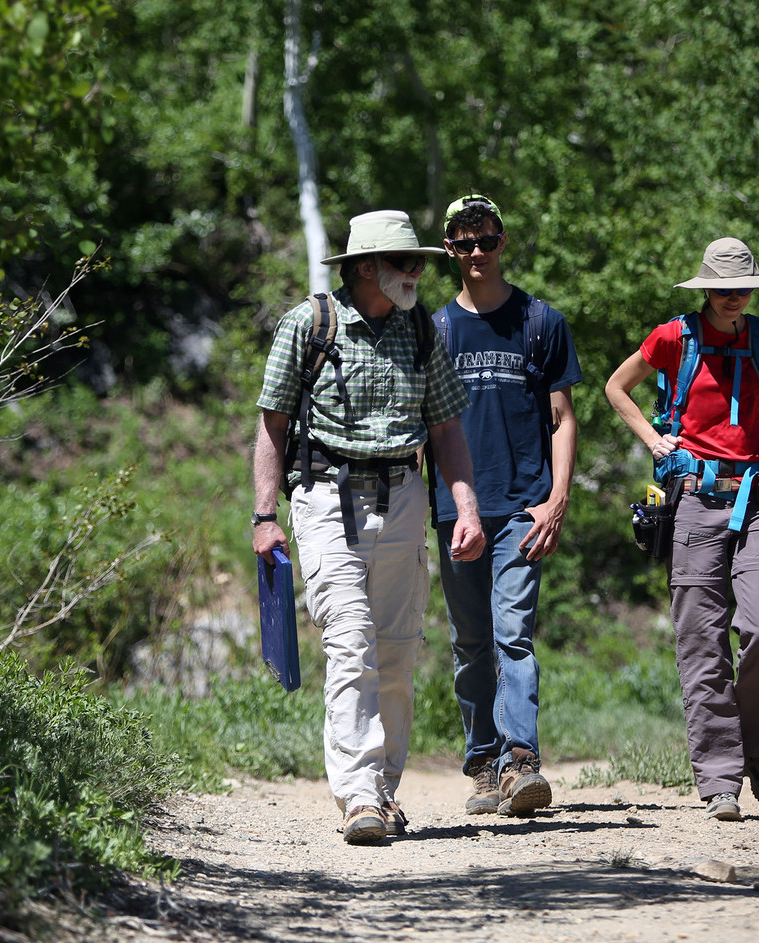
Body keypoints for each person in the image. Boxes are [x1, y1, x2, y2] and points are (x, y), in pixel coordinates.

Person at [252, 210, 486, 845]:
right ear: (363, 267)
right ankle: (358, 795)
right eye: (404, 262)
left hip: (405, 496)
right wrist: (264, 517)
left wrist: (465, 508)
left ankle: (383, 795)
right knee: (351, 641)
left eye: (417, 263)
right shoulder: (310, 323)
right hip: (326, 497)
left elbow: (445, 430)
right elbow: (272, 425)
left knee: (398, 651)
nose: (417, 272)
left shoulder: (422, 329)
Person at [604, 236, 759, 821]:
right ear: (705, 289)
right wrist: (653, 439)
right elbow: (618, 387)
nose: (732, 297)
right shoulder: (674, 336)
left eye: (741, 287)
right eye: (722, 288)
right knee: (702, 642)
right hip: (693, 500)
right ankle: (720, 780)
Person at [429, 195, 582, 817]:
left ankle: (522, 763)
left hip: (523, 504)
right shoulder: (434, 329)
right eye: (463, 244)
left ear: (502, 241)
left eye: (485, 241)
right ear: (449, 251)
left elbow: (563, 418)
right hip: (454, 509)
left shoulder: (540, 321)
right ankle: (483, 766)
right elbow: (424, 427)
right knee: (470, 643)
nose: (475, 255)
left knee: (512, 634)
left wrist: (557, 501)